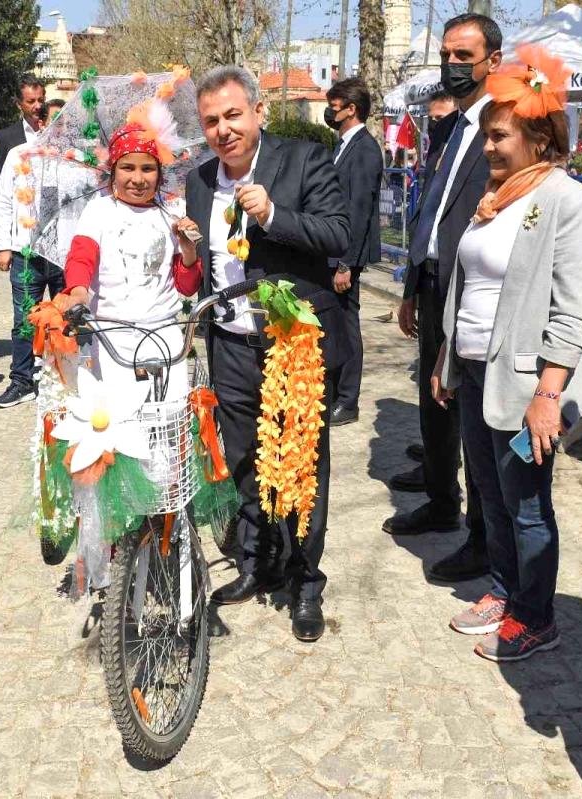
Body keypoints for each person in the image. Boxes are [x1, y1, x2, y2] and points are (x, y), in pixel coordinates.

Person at [432, 45, 582, 662]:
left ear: (538, 136)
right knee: (490, 491)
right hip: (477, 369)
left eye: (499, 136)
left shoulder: (569, 203)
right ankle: (503, 591)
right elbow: (468, 285)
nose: (487, 148)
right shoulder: (495, 198)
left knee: (527, 504)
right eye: (485, 137)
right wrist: (448, 359)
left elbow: (571, 310)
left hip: (529, 383)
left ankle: (536, 615)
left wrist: (549, 396)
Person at [188, 66, 349, 642]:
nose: (223, 129)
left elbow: (340, 235)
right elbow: (202, 270)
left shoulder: (303, 160)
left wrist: (274, 217)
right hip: (230, 342)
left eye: (233, 115)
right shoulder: (202, 180)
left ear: (257, 112)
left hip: (292, 346)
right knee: (246, 462)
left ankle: (306, 581)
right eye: (211, 121)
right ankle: (259, 562)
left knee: (300, 465)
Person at [388, 13, 499, 586]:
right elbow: (429, 214)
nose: (454, 66)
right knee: (433, 400)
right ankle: (440, 500)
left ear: (492, 62)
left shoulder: (505, 129)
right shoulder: (451, 127)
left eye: (465, 56)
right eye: (448, 56)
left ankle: (483, 536)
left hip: (476, 287)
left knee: (474, 410)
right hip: (433, 282)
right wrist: (411, 285)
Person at [54, 121, 202, 398]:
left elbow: (188, 287)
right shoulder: (98, 210)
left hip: (165, 332)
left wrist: (188, 250)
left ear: (159, 173)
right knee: (118, 422)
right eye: (127, 168)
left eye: (147, 169)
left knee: (169, 418)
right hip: (113, 334)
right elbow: (81, 257)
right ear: (113, 172)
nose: (138, 178)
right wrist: (78, 292)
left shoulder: (173, 213)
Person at [0, 99, 65, 410]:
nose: (58, 128)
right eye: (53, 121)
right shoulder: (18, 155)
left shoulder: (81, 159)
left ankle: (65, 378)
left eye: (65, 122)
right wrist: (2, 246)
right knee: (24, 319)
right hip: (27, 254)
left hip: (65, 254)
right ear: (41, 124)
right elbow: (4, 201)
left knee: (67, 319)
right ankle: (21, 380)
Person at [324, 77, 383, 427]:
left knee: (347, 327)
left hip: (346, 257)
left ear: (352, 109)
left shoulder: (364, 149)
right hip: (333, 251)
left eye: (335, 106)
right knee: (335, 325)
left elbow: (359, 210)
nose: (331, 112)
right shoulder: (343, 145)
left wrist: (346, 263)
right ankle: (335, 393)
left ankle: (348, 399)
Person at [0, 73, 45, 188]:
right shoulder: (6, 137)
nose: (38, 106)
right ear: (19, 104)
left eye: (41, 100)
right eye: (31, 101)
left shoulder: (55, 131)